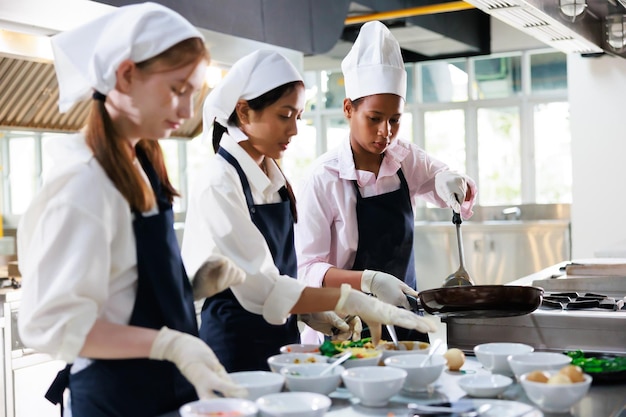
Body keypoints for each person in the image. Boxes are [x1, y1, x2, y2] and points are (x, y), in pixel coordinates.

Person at [16, 3, 247, 416]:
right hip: (115, 398)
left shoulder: (141, 163)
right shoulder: (85, 182)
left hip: (160, 390)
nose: (187, 109)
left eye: (194, 94)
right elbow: (48, 324)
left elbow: (121, 294)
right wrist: (169, 343)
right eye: (177, 90)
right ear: (125, 75)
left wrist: (187, 291)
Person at [181, 49, 438, 372]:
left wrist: (312, 314)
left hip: (280, 341)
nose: (294, 130)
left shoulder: (272, 180)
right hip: (232, 348)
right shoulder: (219, 183)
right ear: (244, 112)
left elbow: (280, 278)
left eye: (298, 117)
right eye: (284, 115)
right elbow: (263, 289)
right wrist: (350, 297)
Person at [295, 21, 477, 344]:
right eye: (374, 118)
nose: (386, 132)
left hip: (405, 323)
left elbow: (440, 181)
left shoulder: (404, 158)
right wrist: (369, 281)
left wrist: (454, 180)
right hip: (343, 329)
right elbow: (307, 271)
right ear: (349, 109)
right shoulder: (322, 179)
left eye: (395, 120)